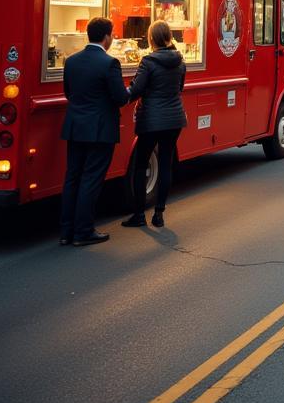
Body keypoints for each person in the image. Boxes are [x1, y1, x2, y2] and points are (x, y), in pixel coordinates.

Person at [59, 17, 130, 246]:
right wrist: (132, 90)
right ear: (107, 37)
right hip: (100, 129)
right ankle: (83, 231)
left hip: (75, 127)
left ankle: (66, 231)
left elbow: (69, 93)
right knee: (91, 179)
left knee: (72, 178)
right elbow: (120, 98)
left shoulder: (71, 61)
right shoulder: (110, 63)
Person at [121, 20, 188, 229]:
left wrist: (120, 95)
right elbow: (180, 87)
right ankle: (159, 214)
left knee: (141, 165)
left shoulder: (148, 62)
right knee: (166, 163)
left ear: (151, 38)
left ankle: (139, 214)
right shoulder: (180, 60)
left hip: (151, 119)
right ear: (169, 36)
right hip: (174, 118)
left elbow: (137, 89)